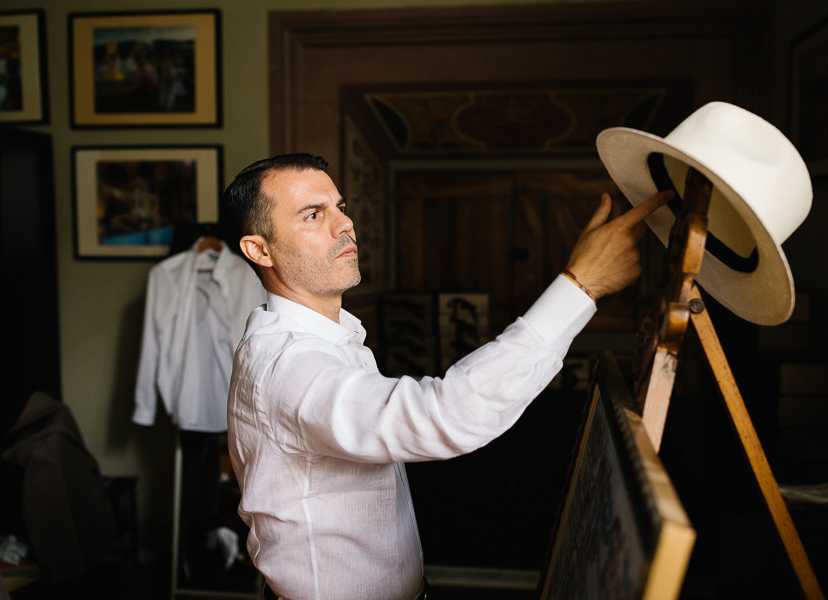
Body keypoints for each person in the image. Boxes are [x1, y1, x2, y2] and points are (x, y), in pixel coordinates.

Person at [221, 153, 671, 600]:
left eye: (341, 207)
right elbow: (445, 416)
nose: (344, 226)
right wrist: (581, 285)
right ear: (259, 249)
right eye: (313, 215)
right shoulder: (288, 364)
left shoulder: (329, 337)